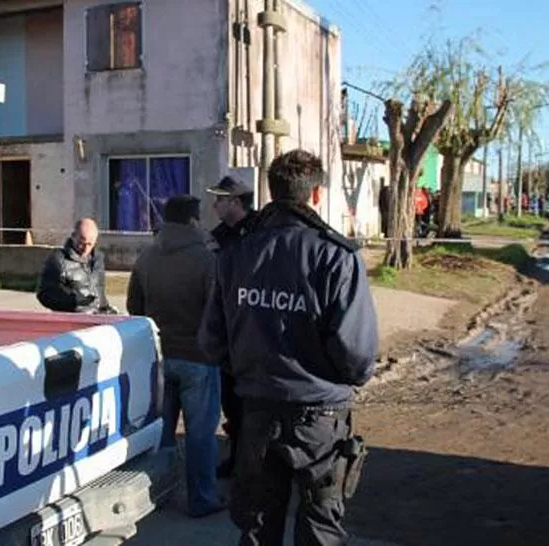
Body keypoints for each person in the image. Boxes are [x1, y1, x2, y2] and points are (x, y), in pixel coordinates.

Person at [198, 149, 378, 545]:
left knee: (258, 526)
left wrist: (252, 369)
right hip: (319, 416)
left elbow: (212, 341)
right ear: (315, 195)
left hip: (257, 410)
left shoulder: (236, 253)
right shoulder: (336, 256)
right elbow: (358, 357)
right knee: (319, 526)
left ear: (272, 192)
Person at [126, 194, 225, 518]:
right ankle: (201, 498)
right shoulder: (207, 260)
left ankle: (159, 493)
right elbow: (218, 310)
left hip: (159, 356)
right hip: (199, 357)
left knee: (162, 432)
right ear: (193, 220)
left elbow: (134, 307)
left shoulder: (146, 258)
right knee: (200, 434)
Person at [205, 175, 257, 479]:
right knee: (233, 405)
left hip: (252, 330)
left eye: (220, 199)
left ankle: (255, 465)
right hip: (227, 333)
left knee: (255, 408)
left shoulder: (259, 234)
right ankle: (238, 458)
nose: (215, 205)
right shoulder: (220, 237)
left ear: (236, 202)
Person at [36, 217, 117, 314]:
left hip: (95, 316)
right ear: (73, 236)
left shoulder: (97, 260)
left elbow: (99, 291)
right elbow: (44, 294)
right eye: (81, 243)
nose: (85, 249)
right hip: (70, 317)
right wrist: (75, 301)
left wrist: (105, 308)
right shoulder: (58, 259)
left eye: (90, 244)